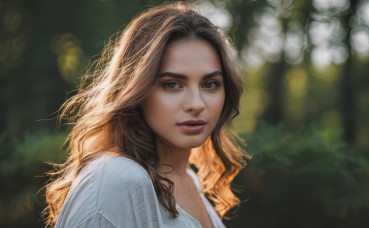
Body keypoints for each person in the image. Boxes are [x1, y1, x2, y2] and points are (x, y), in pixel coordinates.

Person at [44, 2, 249, 228]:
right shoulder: (116, 179)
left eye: (210, 84)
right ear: (137, 90)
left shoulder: (190, 178)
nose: (196, 104)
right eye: (172, 85)